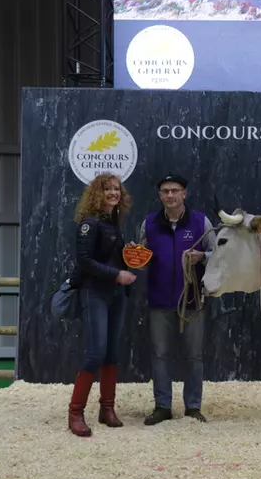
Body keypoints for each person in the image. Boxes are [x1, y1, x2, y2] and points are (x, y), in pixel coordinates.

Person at [131, 173, 216, 425]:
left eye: (175, 191)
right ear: (160, 195)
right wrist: (135, 256)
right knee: (160, 355)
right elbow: (143, 259)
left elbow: (219, 254)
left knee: (194, 355)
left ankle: (192, 407)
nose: (170, 195)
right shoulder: (149, 223)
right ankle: (162, 406)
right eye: (165, 191)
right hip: (159, 299)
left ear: (184, 194)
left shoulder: (201, 221)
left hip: (192, 300)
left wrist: (203, 256)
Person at [68, 173, 137, 437]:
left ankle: (107, 408)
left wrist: (127, 253)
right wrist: (116, 274)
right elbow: (84, 260)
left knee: (111, 353)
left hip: (116, 294)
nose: (113, 193)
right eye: (107, 189)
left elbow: (107, 257)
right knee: (95, 353)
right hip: (94, 292)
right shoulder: (90, 223)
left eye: (117, 189)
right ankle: (75, 412)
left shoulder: (113, 222)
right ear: (97, 193)